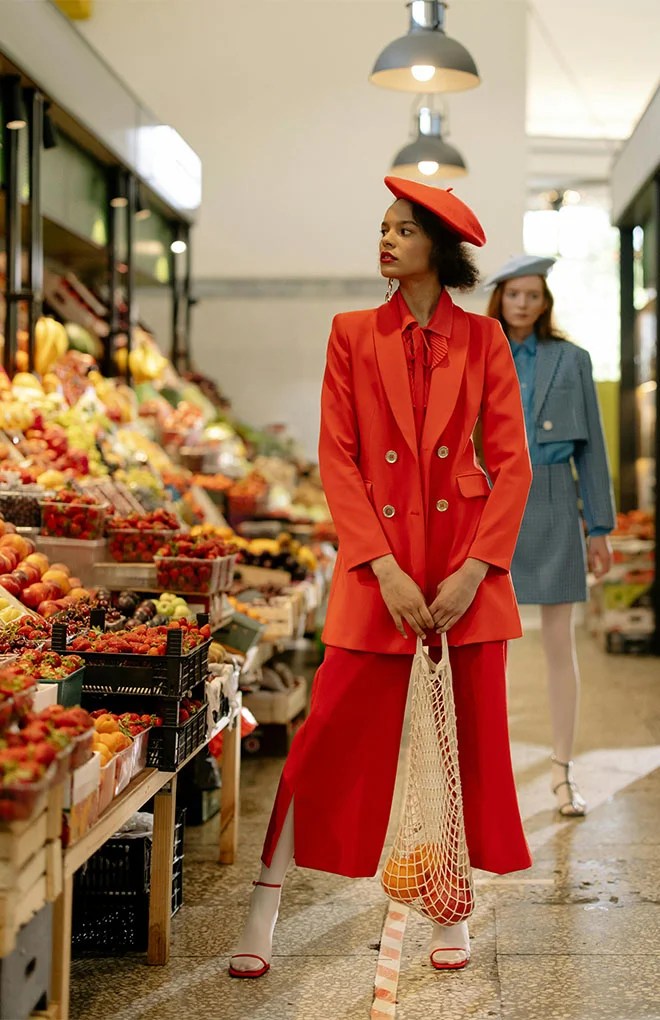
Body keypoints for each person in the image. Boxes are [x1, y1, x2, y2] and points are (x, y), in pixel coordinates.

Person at [229, 177, 533, 979]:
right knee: (324, 738)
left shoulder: (484, 341)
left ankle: (450, 904)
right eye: (383, 228)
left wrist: (474, 570)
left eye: (404, 229)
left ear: (438, 247)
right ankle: (264, 905)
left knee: (464, 744)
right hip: (378, 570)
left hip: (467, 569)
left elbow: (512, 465)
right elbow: (340, 458)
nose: (387, 240)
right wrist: (382, 567)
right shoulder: (352, 333)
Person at [484, 254, 615, 816]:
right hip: (491, 503)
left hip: (558, 499)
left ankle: (563, 773)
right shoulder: (477, 356)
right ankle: (488, 777)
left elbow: (594, 450)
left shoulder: (574, 359)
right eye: (515, 294)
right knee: (488, 650)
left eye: (533, 294)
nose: (523, 303)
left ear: (545, 301)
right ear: (502, 298)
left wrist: (600, 526)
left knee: (561, 644)